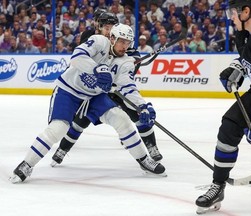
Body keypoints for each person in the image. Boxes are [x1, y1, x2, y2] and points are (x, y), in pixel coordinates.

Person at [10, 23, 166, 183]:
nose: (124, 46)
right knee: (59, 128)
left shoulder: (125, 62)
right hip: (69, 90)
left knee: (122, 119)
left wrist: (142, 106)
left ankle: (143, 160)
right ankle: (27, 164)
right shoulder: (99, 41)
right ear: (112, 38)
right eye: (121, 41)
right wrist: (96, 69)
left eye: (127, 42)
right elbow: (77, 57)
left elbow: (128, 87)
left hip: (95, 96)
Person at [195, 0, 251, 214]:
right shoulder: (244, 32)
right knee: (229, 125)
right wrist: (237, 68)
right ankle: (218, 186)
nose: (230, 17)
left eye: (233, 13)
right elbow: (250, 58)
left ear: (246, 12)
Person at [51, 12, 163, 167]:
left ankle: (151, 147)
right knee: (80, 121)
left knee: (136, 113)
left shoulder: (122, 42)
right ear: (99, 26)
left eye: (112, 27)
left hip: (117, 89)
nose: (109, 30)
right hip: (94, 90)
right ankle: (62, 149)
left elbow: (128, 70)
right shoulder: (93, 38)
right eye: (106, 27)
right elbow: (85, 60)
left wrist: (131, 62)